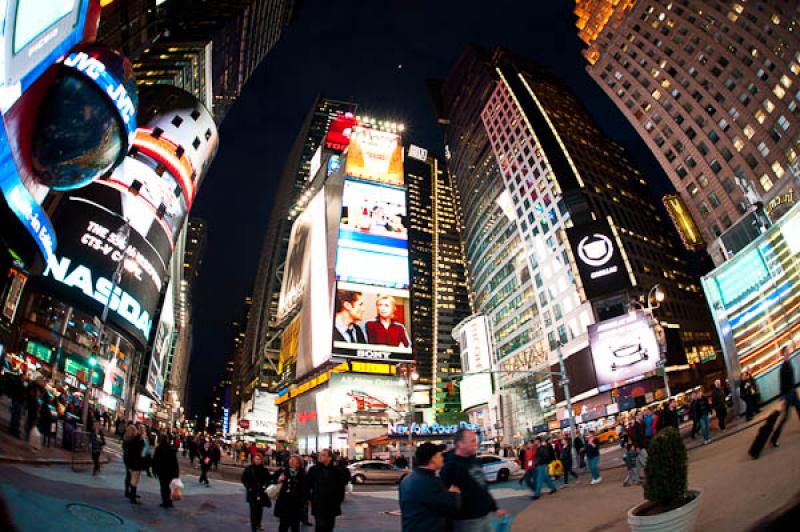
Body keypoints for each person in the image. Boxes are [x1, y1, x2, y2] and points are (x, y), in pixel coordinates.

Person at [439, 429, 507, 531]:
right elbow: (443, 496)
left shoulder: (474, 460)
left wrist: (494, 507)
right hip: (466, 521)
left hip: (483, 516)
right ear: (460, 444)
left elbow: (482, 486)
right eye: (472, 441)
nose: (476, 444)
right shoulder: (450, 466)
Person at [399, 442, 461, 532]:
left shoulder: (407, 479)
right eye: (440, 455)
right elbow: (451, 506)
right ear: (433, 459)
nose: (442, 458)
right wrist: (454, 494)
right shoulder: (430, 483)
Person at [306, 448, 348, 532]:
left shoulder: (336, 470)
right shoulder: (313, 470)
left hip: (332, 504)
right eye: (320, 455)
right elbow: (307, 485)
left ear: (330, 458)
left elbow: (340, 487)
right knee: (320, 526)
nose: (320, 457)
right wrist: (309, 498)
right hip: (318, 502)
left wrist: (339, 500)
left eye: (323, 455)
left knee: (329, 526)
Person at [771, 346, 800, 448]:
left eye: (789, 350)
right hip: (788, 393)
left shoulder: (789, 362)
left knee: (799, 409)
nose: (789, 351)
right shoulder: (783, 367)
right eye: (787, 350)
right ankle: (774, 438)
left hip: (793, 391)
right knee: (785, 417)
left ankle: (774, 438)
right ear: (784, 354)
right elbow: (782, 383)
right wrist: (783, 398)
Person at [274, 455, 308, 532]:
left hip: (296, 505)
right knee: (283, 526)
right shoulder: (283, 471)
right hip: (284, 503)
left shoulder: (303, 474)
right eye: (290, 459)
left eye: (294, 460)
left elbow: (305, 489)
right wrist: (278, 480)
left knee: (295, 526)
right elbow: (271, 480)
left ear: (299, 463)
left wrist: (303, 501)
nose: (291, 461)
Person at [242, 452, 272, 532]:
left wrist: (265, 486)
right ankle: (254, 527)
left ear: (261, 460)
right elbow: (244, 479)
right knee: (253, 511)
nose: (257, 460)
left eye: (259, 459)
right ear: (253, 459)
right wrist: (249, 487)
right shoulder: (249, 468)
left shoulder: (264, 470)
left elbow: (268, 479)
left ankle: (258, 524)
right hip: (252, 493)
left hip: (261, 493)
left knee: (260, 510)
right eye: (256, 459)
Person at [152, 433, 179, 508]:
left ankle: (165, 502)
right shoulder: (171, 448)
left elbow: (155, 461)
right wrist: (176, 474)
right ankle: (169, 501)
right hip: (170, 471)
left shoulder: (159, 448)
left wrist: (154, 470)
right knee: (167, 486)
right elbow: (175, 462)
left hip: (162, 471)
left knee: (164, 487)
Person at [123, 425, 145, 504]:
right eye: (135, 430)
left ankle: (130, 493)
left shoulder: (131, 440)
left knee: (131, 478)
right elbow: (134, 451)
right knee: (132, 479)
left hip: (130, 461)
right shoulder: (131, 441)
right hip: (132, 462)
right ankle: (130, 494)